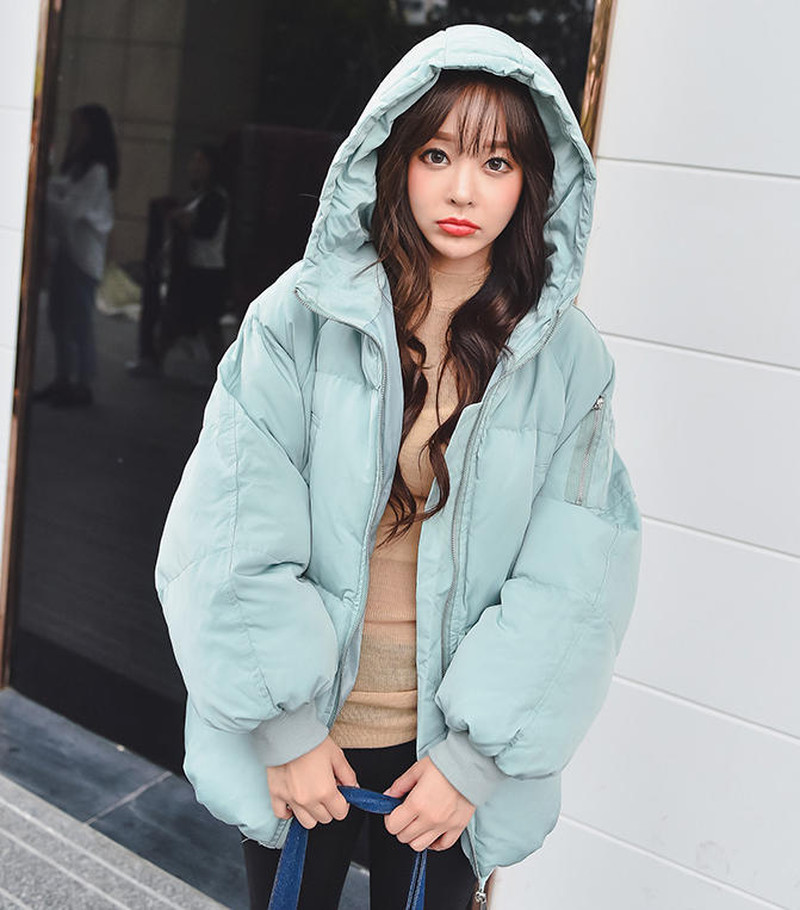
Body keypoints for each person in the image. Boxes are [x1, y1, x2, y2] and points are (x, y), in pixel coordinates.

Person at [154, 23, 642, 910]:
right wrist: (286, 729)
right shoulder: (296, 320)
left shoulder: (568, 361)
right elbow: (225, 530)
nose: (463, 189)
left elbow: (577, 582)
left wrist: (475, 760)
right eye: (437, 154)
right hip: (303, 742)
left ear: (533, 181)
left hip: (448, 761)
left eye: (497, 163)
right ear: (392, 160)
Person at [34, 103, 117, 407]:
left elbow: (70, 210)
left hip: (82, 259)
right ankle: (64, 380)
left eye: (79, 126)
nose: (75, 132)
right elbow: (64, 194)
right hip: (70, 254)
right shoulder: (79, 168)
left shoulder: (97, 171)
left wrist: (44, 193)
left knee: (78, 324)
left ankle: (82, 385)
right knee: (60, 321)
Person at [133, 144, 230, 378]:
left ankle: (228, 373)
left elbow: (203, 230)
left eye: (200, 162)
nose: (194, 167)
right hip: (195, 269)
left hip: (208, 272)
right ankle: (154, 362)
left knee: (207, 325)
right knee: (176, 320)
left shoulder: (216, 198)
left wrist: (180, 218)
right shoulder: (201, 197)